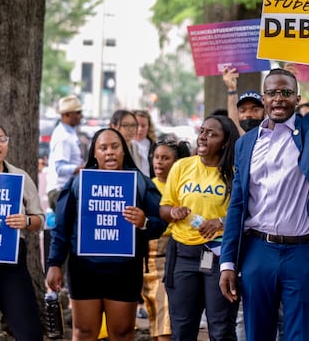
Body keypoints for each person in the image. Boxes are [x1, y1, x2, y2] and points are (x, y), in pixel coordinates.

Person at [218, 19, 309, 341]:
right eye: (272, 93)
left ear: (296, 98)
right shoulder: (245, 143)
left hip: (303, 252)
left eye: (286, 92)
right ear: (264, 99)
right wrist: (227, 261)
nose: (278, 98)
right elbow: (238, 204)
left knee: (299, 335)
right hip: (257, 251)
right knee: (257, 333)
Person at [46, 128, 166, 340]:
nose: (109, 152)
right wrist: (54, 263)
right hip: (84, 269)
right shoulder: (78, 182)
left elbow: (161, 222)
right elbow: (62, 227)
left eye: (114, 147)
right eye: (103, 148)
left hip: (124, 270)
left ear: (123, 151)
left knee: (121, 333)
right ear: (94, 153)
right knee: (84, 332)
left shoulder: (138, 182)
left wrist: (145, 222)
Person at [159, 115, 240, 340]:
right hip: (183, 255)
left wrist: (221, 222)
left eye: (211, 134)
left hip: (220, 255)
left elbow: (247, 213)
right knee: (182, 327)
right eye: (202, 131)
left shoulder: (235, 172)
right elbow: (164, 208)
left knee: (221, 328)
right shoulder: (182, 166)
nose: (203, 137)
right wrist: (173, 212)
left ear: (224, 142)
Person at [0, 116, 45, 340]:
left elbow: (39, 218)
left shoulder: (20, 177)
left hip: (11, 265)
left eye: (1, 139)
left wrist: (26, 221)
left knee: (29, 332)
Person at [142, 139, 191, 341]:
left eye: (165, 158)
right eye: (156, 157)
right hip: (146, 259)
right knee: (155, 318)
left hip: (170, 256)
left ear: (177, 161)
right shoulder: (145, 186)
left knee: (167, 319)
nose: (159, 163)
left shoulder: (184, 187)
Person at [46, 95, 85, 211]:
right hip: (60, 192)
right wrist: (82, 169)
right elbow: (60, 168)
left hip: (65, 191)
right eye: (77, 112)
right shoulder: (63, 136)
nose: (80, 116)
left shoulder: (69, 133)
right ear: (67, 114)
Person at [222, 67, 265, 135]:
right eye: (242, 111)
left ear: (264, 112)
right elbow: (234, 124)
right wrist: (231, 88)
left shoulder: (272, 135)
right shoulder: (241, 140)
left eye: (255, 110)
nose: (248, 115)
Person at [133, 109, 158, 178]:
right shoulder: (124, 146)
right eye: (136, 125)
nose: (140, 129)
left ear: (149, 127)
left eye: (143, 126)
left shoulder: (154, 147)